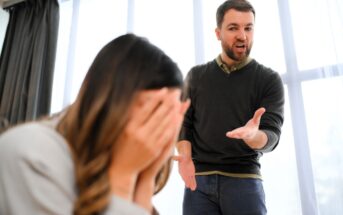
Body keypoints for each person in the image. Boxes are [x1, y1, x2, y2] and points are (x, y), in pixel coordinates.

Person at [0, 33, 190, 215]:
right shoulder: (29, 154)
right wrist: (123, 178)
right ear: (105, 97)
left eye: (169, 117)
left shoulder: (120, 164)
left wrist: (146, 180)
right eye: (153, 112)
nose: (160, 128)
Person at [173, 0, 285, 214]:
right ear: (218, 33)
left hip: (244, 181)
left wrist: (254, 136)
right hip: (199, 183)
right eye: (233, 28)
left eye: (248, 28)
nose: (242, 35)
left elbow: (271, 136)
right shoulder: (196, 76)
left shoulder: (268, 80)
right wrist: (185, 157)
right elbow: (184, 123)